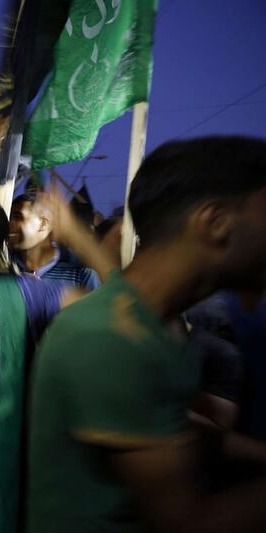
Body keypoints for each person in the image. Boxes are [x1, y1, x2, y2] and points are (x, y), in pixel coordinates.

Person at [26, 136, 266, 533]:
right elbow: (187, 522)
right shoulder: (109, 338)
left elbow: (172, 424)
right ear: (216, 222)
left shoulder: (157, 322)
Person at [9, 192, 100, 289]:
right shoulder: (2, 269)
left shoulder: (81, 277)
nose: (10, 223)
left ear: (43, 224)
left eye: (18, 217)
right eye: (9, 217)